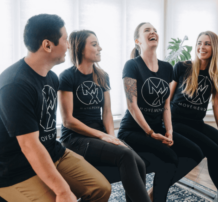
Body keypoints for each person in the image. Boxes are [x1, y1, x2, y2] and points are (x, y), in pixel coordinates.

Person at [0, 14, 111, 202]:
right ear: (47, 45)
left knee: (102, 189)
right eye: (65, 39)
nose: (69, 45)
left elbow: (46, 130)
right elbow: (30, 146)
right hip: (14, 169)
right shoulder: (14, 85)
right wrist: (62, 190)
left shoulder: (52, 78)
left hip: (53, 153)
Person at [58, 30, 151, 202]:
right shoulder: (67, 77)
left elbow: (107, 112)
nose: (99, 48)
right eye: (94, 44)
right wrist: (102, 136)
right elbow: (68, 120)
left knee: (140, 164)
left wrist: (112, 138)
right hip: (75, 139)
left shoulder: (102, 76)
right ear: (80, 48)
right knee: (126, 155)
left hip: (99, 135)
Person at [117, 22, 203, 202]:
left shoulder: (166, 68)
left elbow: (166, 104)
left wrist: (169, 130)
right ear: (138, 40)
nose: (153, 32)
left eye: (154, 30)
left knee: (196, 151)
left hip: (158, 129)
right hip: (133, 131)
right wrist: (150, 132)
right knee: (170, 158)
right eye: (147, 30)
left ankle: (155, 193)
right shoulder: (131, 65)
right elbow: (132, 104)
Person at [169, 31, 218, 202]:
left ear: (214, 48)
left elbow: (217, 104)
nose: (202, 47)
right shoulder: (182, 67)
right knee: (213, 150)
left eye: (207, 43)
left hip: (196, 123)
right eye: (199, 42)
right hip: (176, 121)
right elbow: (166, 99)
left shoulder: (216, 73)